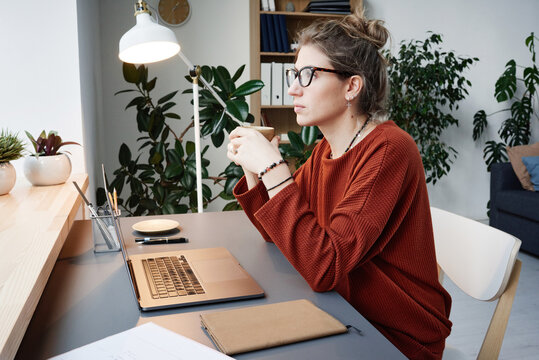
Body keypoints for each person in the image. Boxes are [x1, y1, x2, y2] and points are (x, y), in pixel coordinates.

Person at [226, 9, 452, 359]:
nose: (292, 87)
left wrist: (274, 169)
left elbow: (325, 267)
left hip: (396, 337)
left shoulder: (389, 150)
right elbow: (279, 233)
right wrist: (253, 168)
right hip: (345, 311)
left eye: (307, 75)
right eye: (293, 73)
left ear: (352, 85)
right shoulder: (324, 151)